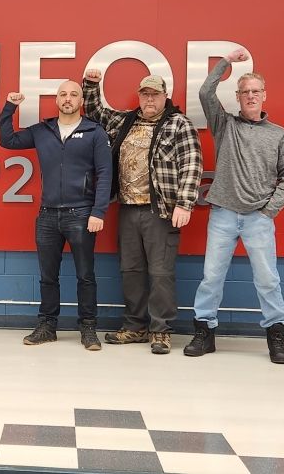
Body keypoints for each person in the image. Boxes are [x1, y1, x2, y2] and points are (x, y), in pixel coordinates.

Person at [183, 48, 284, 364]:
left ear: (264, 96)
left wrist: (269, 210)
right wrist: (225, 63)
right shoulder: (224, 125)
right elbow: (205, 91)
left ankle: (276, 336)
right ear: (238, 96)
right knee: (211, 277)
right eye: (245, 92)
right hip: (223, 212)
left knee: (267, 279)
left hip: (257, 218)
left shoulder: (278, 134)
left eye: (255, 91)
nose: (250, 96)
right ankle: (204, 333)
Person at [82, 71, 202, 355]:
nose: (149, 99)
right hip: (126, 209)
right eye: (145, 94)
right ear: (139, 97)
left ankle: (160, 331)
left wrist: (184, 204)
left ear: (165, 97)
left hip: (160, 210)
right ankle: (135, 326)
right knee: (130, 270)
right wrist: (90, 85)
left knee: (160, 272)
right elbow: (96, 111)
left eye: (155, 95)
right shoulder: (125, 121)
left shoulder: (178, 124)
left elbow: (192, 164)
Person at [0, 81, 112, 351]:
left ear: (81, 100)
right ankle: (47, 326)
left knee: (86, 275)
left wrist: (98, 211)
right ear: (56, 100)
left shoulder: (94, 131)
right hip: (48, 216)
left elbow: (105, 173)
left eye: (73, 94)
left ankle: (88, 328)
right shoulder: (42, 130)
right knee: (47, 276)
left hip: (81, 214)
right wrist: (9, 108)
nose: (68, 98)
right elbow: (8, 140)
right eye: (63, 94)